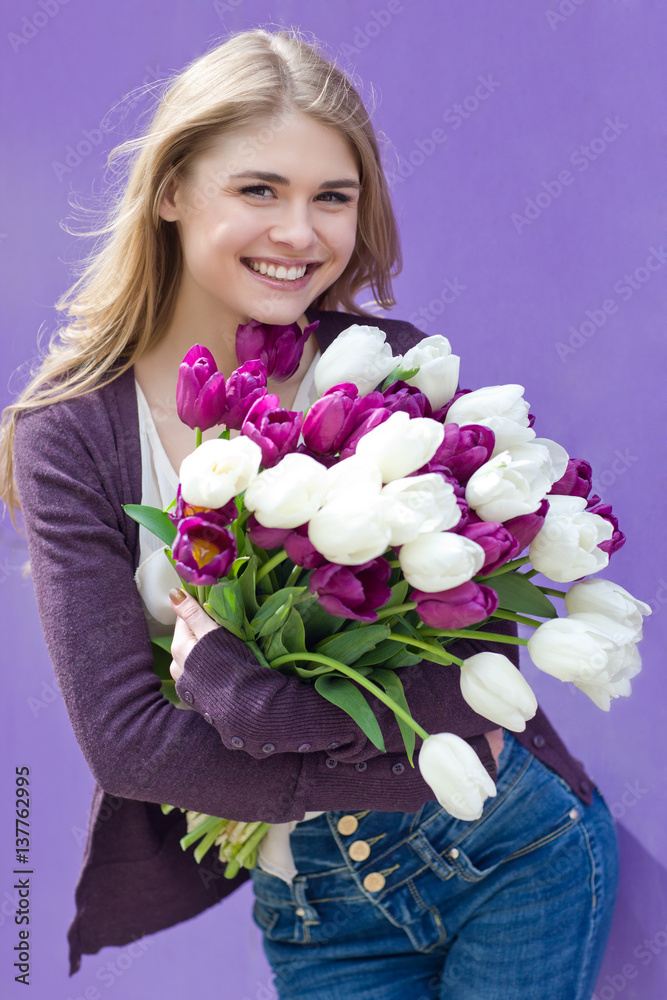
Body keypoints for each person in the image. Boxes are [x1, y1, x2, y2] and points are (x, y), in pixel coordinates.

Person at [1, 28, 618, 999]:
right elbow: (129, 744)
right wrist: (388, 768)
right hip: (316, 907)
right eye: (259, 190)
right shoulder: (70, 437)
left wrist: (227, 688)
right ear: (170, 192)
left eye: (331, 197)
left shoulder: (383, 370)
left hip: (512, 852)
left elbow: (461, 684)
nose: (300, 233)